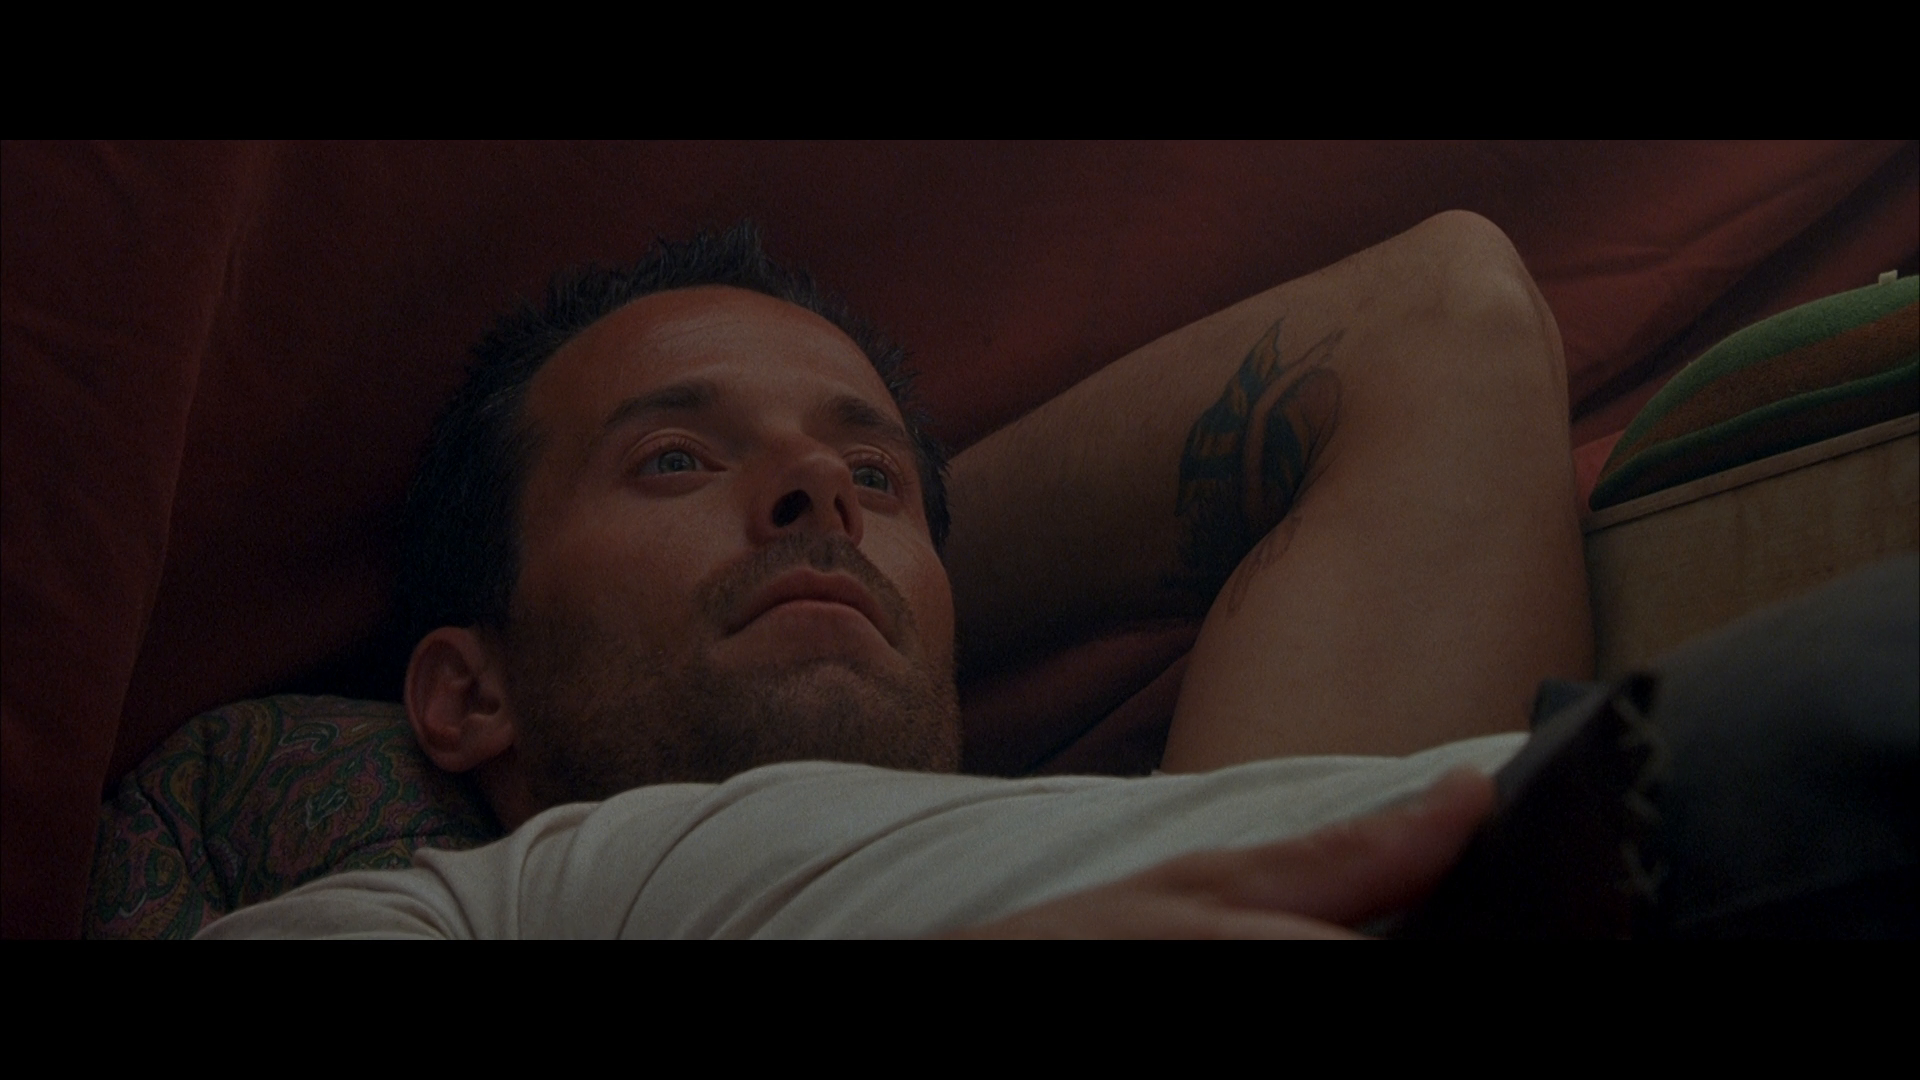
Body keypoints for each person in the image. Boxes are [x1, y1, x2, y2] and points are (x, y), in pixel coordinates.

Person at [195, 213, 1614, 938]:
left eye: (872, 475)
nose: (819, 489)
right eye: (674, 460)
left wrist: (856, 571)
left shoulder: (1203, 815)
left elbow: (1445, 317)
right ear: (466, 692)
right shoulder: (469, 907)